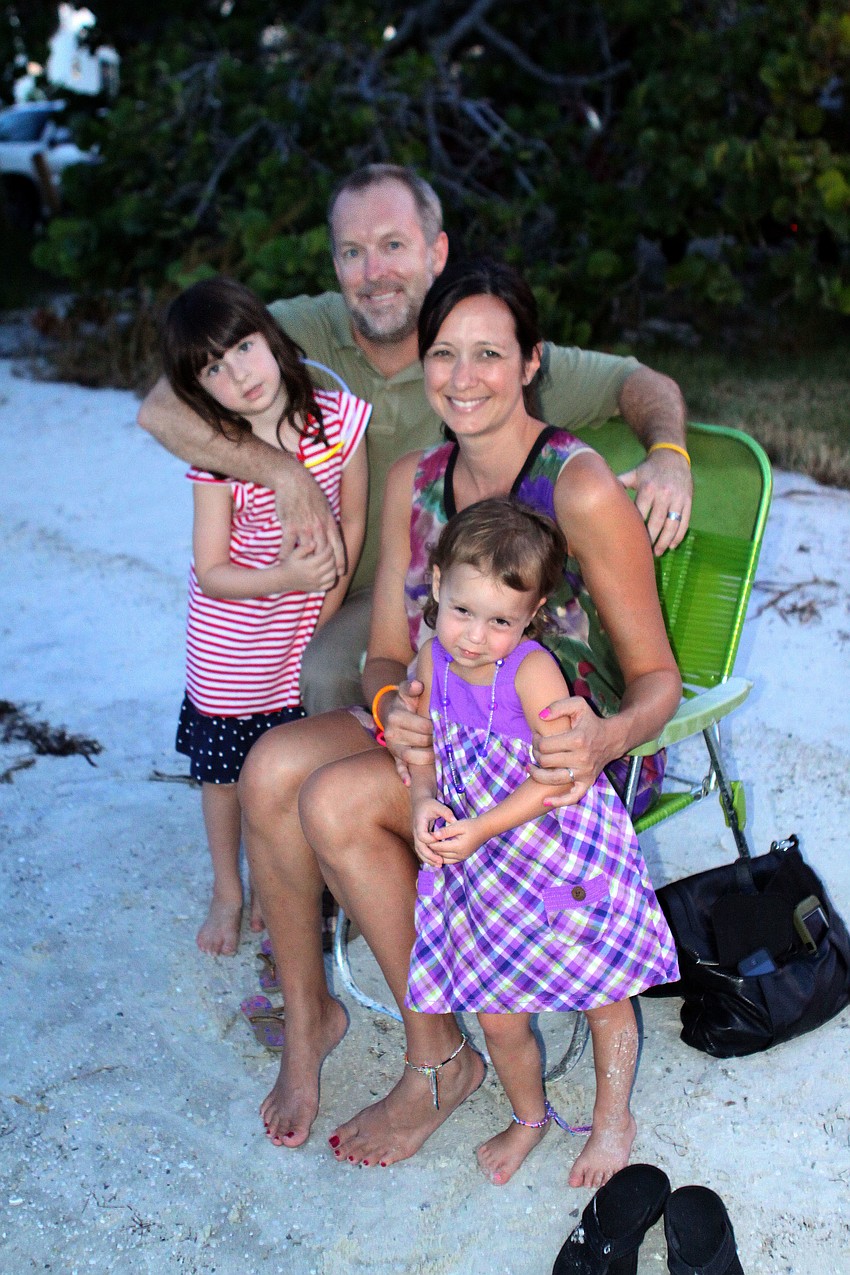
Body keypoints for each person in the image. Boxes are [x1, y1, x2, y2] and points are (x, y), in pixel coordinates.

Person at [240, 257, 681, 1187]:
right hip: (446, 728)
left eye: (490, 352)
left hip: (553, 758)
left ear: (531, 363)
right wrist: (390, 706)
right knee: (269, 765)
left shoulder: (578, 484)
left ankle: (434, 1057)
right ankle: (313, 1013)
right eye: (444, 353)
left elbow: (657, 681)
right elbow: (389, 655)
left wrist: (600, 738)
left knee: (332, 802)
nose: (463, 375)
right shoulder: (416, 478)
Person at [138, 164, 692, 712]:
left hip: (440, 593)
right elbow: (162, 409)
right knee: (251, 724)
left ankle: (381, 789)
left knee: (328, 671)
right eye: (353, 252)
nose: (373, 271)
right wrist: (283, 473)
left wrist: (668, 453)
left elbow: (636, 381)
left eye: (394, 245)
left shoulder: (483, 349)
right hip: (307, 584)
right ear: (335, 264)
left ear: (437, 252)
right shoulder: (296, 334)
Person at [405, 497, 678, 1187]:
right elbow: (420, 750)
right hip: (487, 864)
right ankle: (529, 1116)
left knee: (602, 990)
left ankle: (614, 1117)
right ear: (436, 584)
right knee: (498, 1013)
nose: (474, 635)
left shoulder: (530, 672)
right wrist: (422, 799)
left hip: (561, 852)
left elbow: (559, 779)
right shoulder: (430, 659)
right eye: (463, 610)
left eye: (501, 620)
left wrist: (481, 826)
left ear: (534, 614)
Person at [162, 278, 370, 955]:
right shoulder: (220, 454)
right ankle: (228, 886)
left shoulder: (339, 420)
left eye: (244, 348)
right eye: (213, 369)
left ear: (272, 339)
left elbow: (357, 521)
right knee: (225, 776)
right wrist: (287, 579)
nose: (239, 375)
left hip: (305, 636)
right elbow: (212, 571)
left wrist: (326, 611)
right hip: (231, 648)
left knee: (281, 775)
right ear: (199, 389)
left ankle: (279, 881)